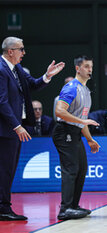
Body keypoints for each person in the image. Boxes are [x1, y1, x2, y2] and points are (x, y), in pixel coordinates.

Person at [0, 36, 65, 221]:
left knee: (9, 169)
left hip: (12, 129)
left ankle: (4, 206)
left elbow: (33, 85)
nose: (24, 52)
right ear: (11, 51)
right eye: (21, 49)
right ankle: (3, 208)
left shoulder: (16, 68)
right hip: (6, 130)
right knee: (5, 169)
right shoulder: (1, 69)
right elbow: (1, 102)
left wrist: (48, 75)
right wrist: (17, 126)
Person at [53, 55, 100, 220]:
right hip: (64, 131)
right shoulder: (71, 87)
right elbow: (60, 111)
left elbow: (82, 119)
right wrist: (81, 121)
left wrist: (89, 139)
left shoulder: (86, 90)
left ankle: (73, 206)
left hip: (75, 133)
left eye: (91, 66)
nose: (90, 70)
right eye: (86, 66)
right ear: (77, 69)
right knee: (70, 170)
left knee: (81, 170)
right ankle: (65, 209)